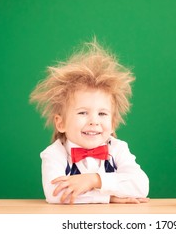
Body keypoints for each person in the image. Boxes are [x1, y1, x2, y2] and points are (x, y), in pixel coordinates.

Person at [30, 38, 149, 204]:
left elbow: (141, 185)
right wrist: (109, 197)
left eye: (102, 114)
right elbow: (56, 195)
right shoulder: (54, 154)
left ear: (113, 122)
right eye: (83, 113)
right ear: (60, 123)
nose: (94, 121)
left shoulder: (118, 149)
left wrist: (95, 180)